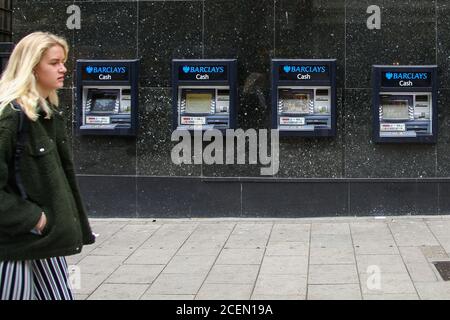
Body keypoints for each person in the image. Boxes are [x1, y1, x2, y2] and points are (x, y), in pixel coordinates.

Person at [0, 31, 96, 300]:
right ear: (31, 66)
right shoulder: (10, 117)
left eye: (63, 61)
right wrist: (34, 219)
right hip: (14, 246)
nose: (63, 69)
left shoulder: (44, 115)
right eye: (54, 63)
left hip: (46, 241)